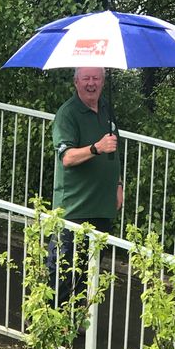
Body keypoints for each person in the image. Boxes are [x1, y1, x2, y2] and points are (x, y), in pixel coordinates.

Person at [47, 66, 123, 306]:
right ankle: (47, 323)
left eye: (97, 78)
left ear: (103, 81)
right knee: (62, 269)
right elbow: (67, 158)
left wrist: (119, 184)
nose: (92, 83)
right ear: (76, 82)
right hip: (74, 208)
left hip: (102, 206)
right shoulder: (67, 114)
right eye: (87, 78)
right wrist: (95, 148)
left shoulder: (106, 111)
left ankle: (75, 320)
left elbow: (114, 154)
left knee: (87, 271)